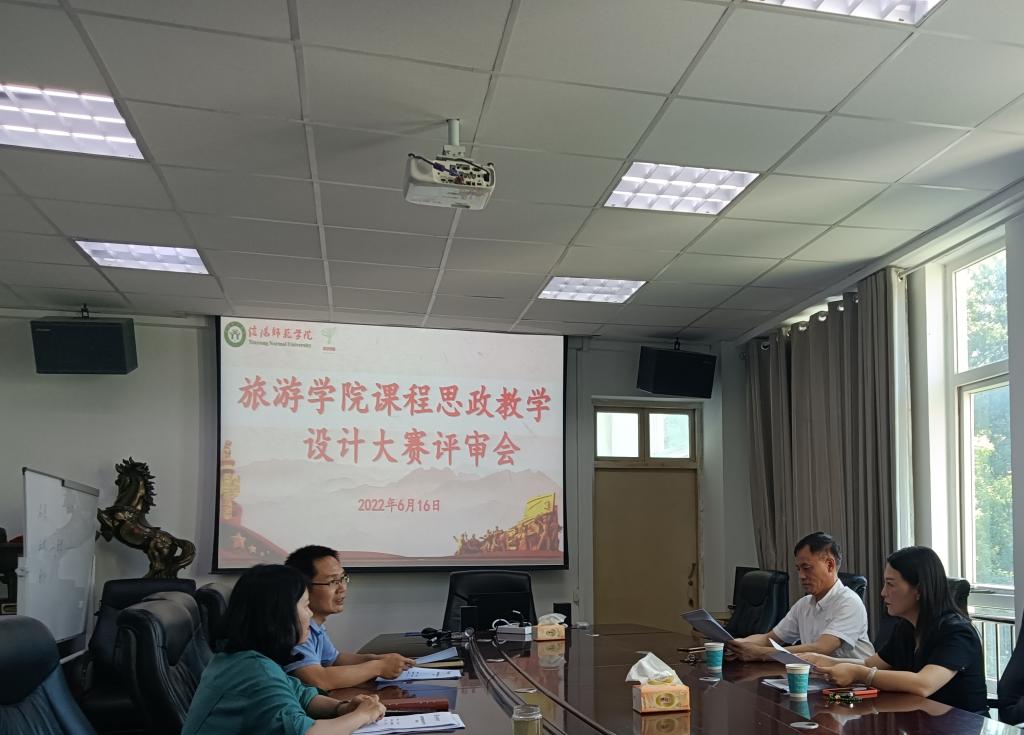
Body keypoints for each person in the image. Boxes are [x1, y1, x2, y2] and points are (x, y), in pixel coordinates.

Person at [182, 564, 385, 735]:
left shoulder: (242, 659)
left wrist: (342, 708)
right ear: (281, 615)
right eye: (306, 606)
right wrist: (362, 715)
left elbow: (301, 695)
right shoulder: (255, 671)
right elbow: (307, 733)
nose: (310, 614)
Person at [804, 546, 987, 715]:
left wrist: (859, 674)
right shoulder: (906, 627)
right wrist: (823, 661)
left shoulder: (957, 632)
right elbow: (870, 664)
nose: (883, 592)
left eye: (890, 584)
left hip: (962, 726)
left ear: (919, 590)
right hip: (921, 721)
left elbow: (924, 684)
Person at [284, 545, 415, 689]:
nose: (342, 588)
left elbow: (334, 659)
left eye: (343, 578)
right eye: (333, 581)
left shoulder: (315, 625)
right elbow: (318, 680)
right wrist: (378, 667)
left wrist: (377, 659)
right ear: (303, 588)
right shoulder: (295, 630)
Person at [727, 532, 873, 661]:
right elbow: (768, 639)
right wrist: (735, 644)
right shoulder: (804, 604)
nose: (801, 576)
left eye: (807, 568)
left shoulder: (849, 602)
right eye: (799, 569)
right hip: (817, 677)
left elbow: (822, 648)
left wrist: (762, 653)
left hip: (857, 682)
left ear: (830, 565)